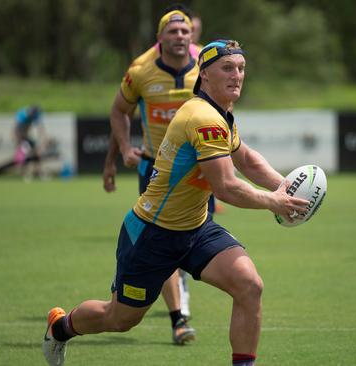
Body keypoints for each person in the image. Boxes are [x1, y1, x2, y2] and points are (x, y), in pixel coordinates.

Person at [43, 39, 311, 366]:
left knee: (249, 285)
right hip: (152, 234)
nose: (237, 75)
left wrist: (284, 186)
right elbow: (226, 187)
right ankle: (60, 326)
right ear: (205, 75)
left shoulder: (221, 112)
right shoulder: (203, 118)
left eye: (241, 68)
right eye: (227, 68)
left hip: (195, 230)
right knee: (120, 319)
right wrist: (274, 202)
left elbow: (247, 160)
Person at [101, 10, 199, 345]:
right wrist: (120, 153)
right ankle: (178, 318)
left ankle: (172, 287)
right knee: (169, 242)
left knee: (190, 240)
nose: (180, 36)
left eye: (185, 30)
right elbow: (119, 110)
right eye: (173, 31)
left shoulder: (206, 63)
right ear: (161, 37)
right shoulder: (141, 70)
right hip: (157, 171)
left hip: (202, 171)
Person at [13, 105, 46, 180]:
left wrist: (43, 140)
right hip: (21, 138)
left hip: (27, 137)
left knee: (37, 154)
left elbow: (41, 129)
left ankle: (40, 173)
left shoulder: (36, 115)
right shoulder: (22, 115)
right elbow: (16, 129)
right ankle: (25, 174)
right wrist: (18, 141)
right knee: (25, 155)